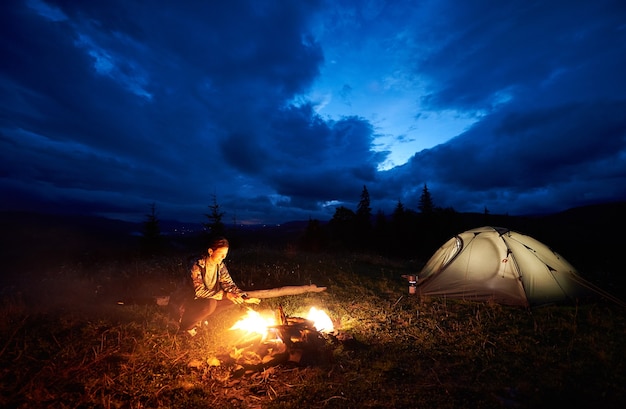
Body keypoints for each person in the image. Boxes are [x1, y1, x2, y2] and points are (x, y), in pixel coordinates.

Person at [179, 236, 259, 336]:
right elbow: (199, 292)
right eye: (221, 254)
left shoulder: (219, 265)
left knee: (233, 300)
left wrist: (242, 296)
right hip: (190, 301)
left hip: (208, 299)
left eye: (225, 254)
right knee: (210, 303)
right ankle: (186, 327)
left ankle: (202, 319)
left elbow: (228, 284)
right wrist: (225, 295)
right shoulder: (197, 265)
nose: (223, 257)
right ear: (210, 251)